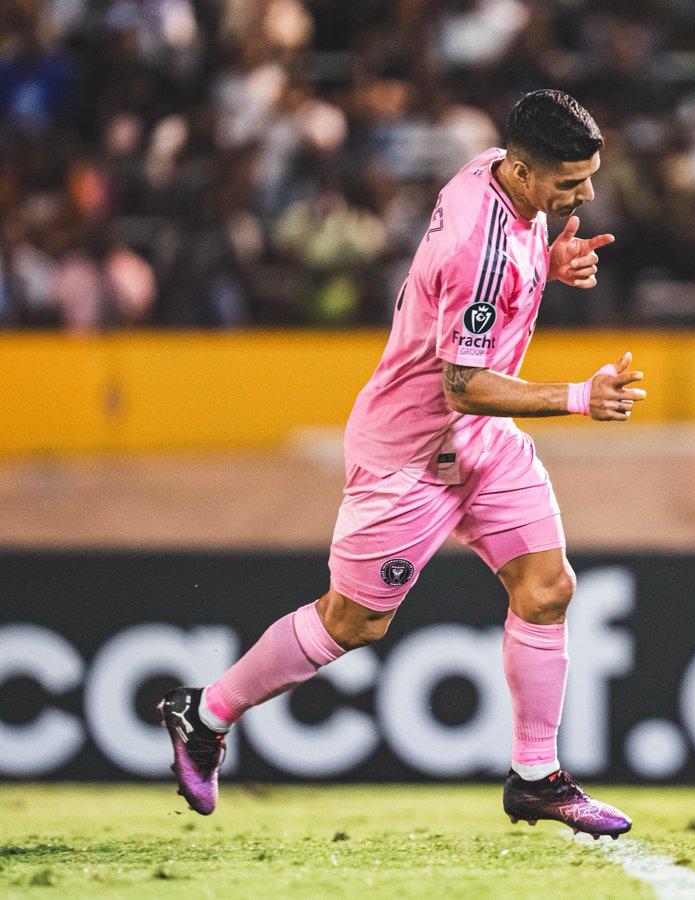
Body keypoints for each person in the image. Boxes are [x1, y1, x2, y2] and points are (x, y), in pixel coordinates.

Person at [159, 89, 646, 838]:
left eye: (588, 177)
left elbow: (491, 292)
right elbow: (463, 382)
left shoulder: (497, 176)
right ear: (520, 170)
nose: (584, 193)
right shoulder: (480, 246)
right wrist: (581, 397)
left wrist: (544, 263)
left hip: (479, 445)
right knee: (352, 622)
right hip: (409, 455)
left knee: (547, 588)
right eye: (570, 181)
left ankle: (536, 776)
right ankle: (206, 713)